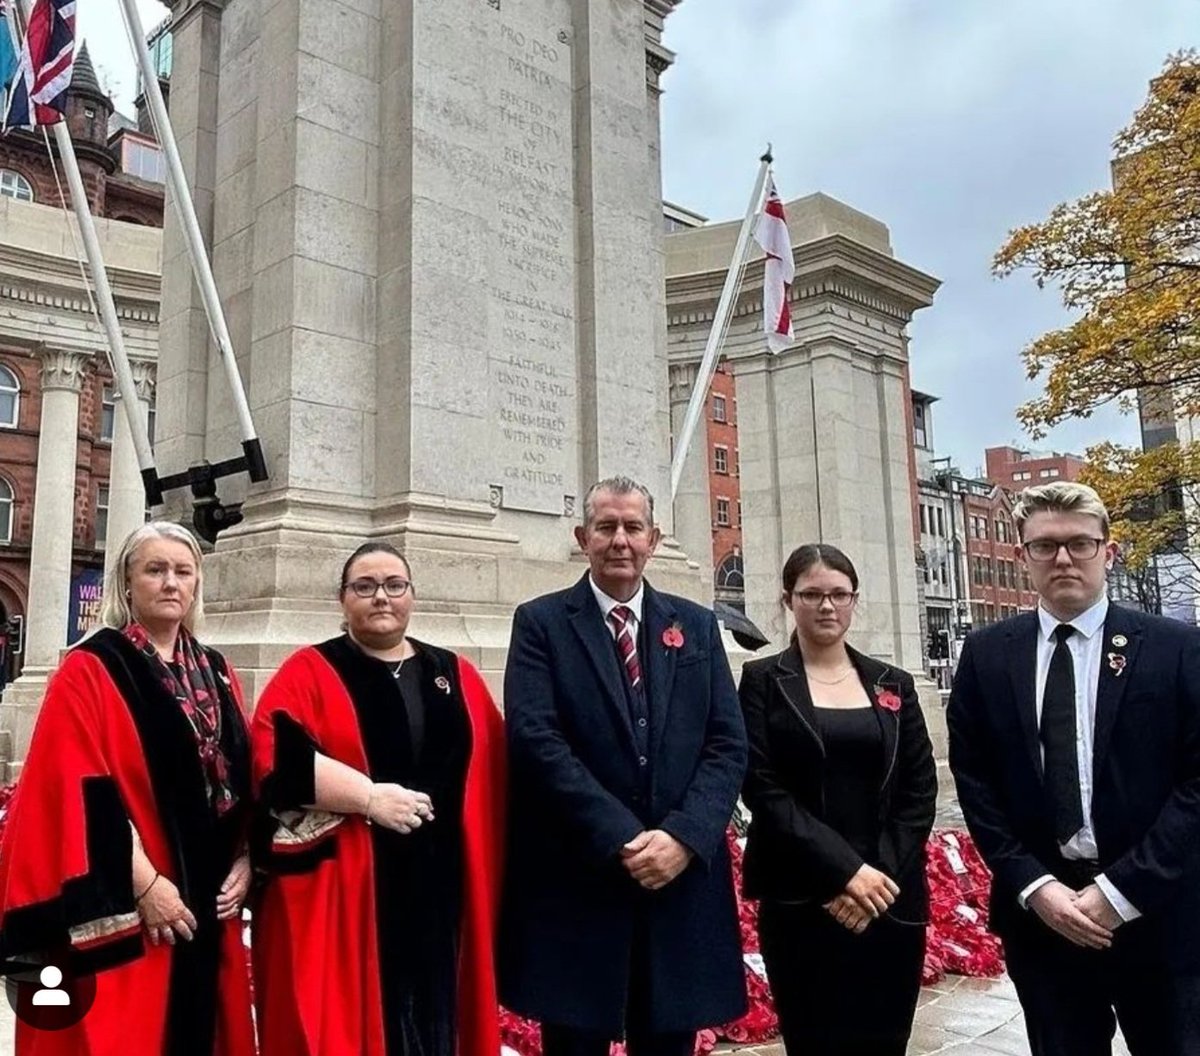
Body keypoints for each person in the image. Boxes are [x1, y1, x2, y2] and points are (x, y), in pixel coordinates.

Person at [948, 481, 1200, 1055]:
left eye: (1080, 544)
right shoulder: (987, 655)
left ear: (1108, 552)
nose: (1063, 558)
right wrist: (1035, 886)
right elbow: (975, 778)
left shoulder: (1176, 648)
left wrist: (1120, 890)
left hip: (1160, 916)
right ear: (1022, 555)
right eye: (1045, 546)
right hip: (1046, 921)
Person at [500, 476, 748, 1056]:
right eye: (606, 527)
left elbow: (727, 743)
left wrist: (683, 838)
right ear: (582, 536)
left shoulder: (697, 626)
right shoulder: (540, 623)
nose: (620, 540)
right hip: (582, 880)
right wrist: (623, 837)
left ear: (654, 538)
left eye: (632, 527)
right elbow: (537, 740)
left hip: (677, 886)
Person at [0, 522, 256, 1056]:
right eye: (155, 570)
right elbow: (74, 786)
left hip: (208, 900)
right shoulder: (90, 669)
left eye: (183, 572)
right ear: (127, 583)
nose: (170, 583)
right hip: (137, 903)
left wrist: (246, 860)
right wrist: (146, 886)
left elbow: (242, 778)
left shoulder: (217, 670)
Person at [250, 542, 506, 1056]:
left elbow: (497, 773)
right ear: (342, 600)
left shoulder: (455, 675)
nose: (381, 597)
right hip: (354, 891)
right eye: (363, 587)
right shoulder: (311, 671)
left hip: (444, 886)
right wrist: (367, 799)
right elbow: (272, 757)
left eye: (394, 585)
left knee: (440, 1020)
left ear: (412, 595)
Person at [738, 543, 936, 1055]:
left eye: (838, 595)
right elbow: (763, 787)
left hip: (888, 900)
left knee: (885, 1042)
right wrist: (845, 872)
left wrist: (876, 879)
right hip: (803, 900)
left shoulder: (894, 683)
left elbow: (918, 790)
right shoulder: (762, 681)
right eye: (811, 594)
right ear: (788, 600)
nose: (826, 606)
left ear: (854, 601)